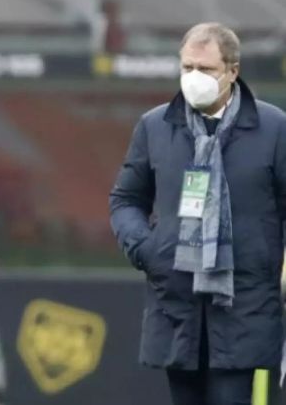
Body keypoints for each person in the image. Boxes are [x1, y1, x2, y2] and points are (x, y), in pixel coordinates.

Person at [110, 22, 286, 405]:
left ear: (232, 72)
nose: (194, 77)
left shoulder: (273, 129)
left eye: (205, 69)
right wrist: (149, 250)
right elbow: (125, 200)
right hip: (176, 303)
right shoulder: (155, 126)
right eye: (187, 67)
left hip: (244, 304)